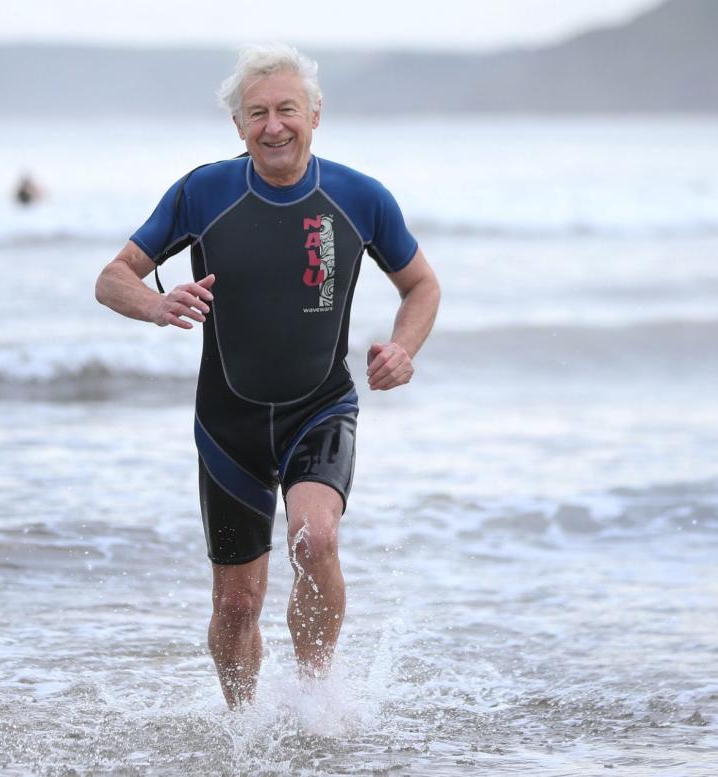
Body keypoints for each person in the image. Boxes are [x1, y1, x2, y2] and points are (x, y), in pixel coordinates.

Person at [94, 43, 440, 708]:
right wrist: (158, 303)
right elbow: (112, 278)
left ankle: (316, 702)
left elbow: (421, 284)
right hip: (230, 426)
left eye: (287, 109)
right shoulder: (204, 192)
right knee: (234, 603)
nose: (273, 125)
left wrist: (403, 347)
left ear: (315, 113)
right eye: (258, 113)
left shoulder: (359, 197)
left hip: (320, 407)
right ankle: (244, 726)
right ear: (238, 125)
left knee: (315, 537)